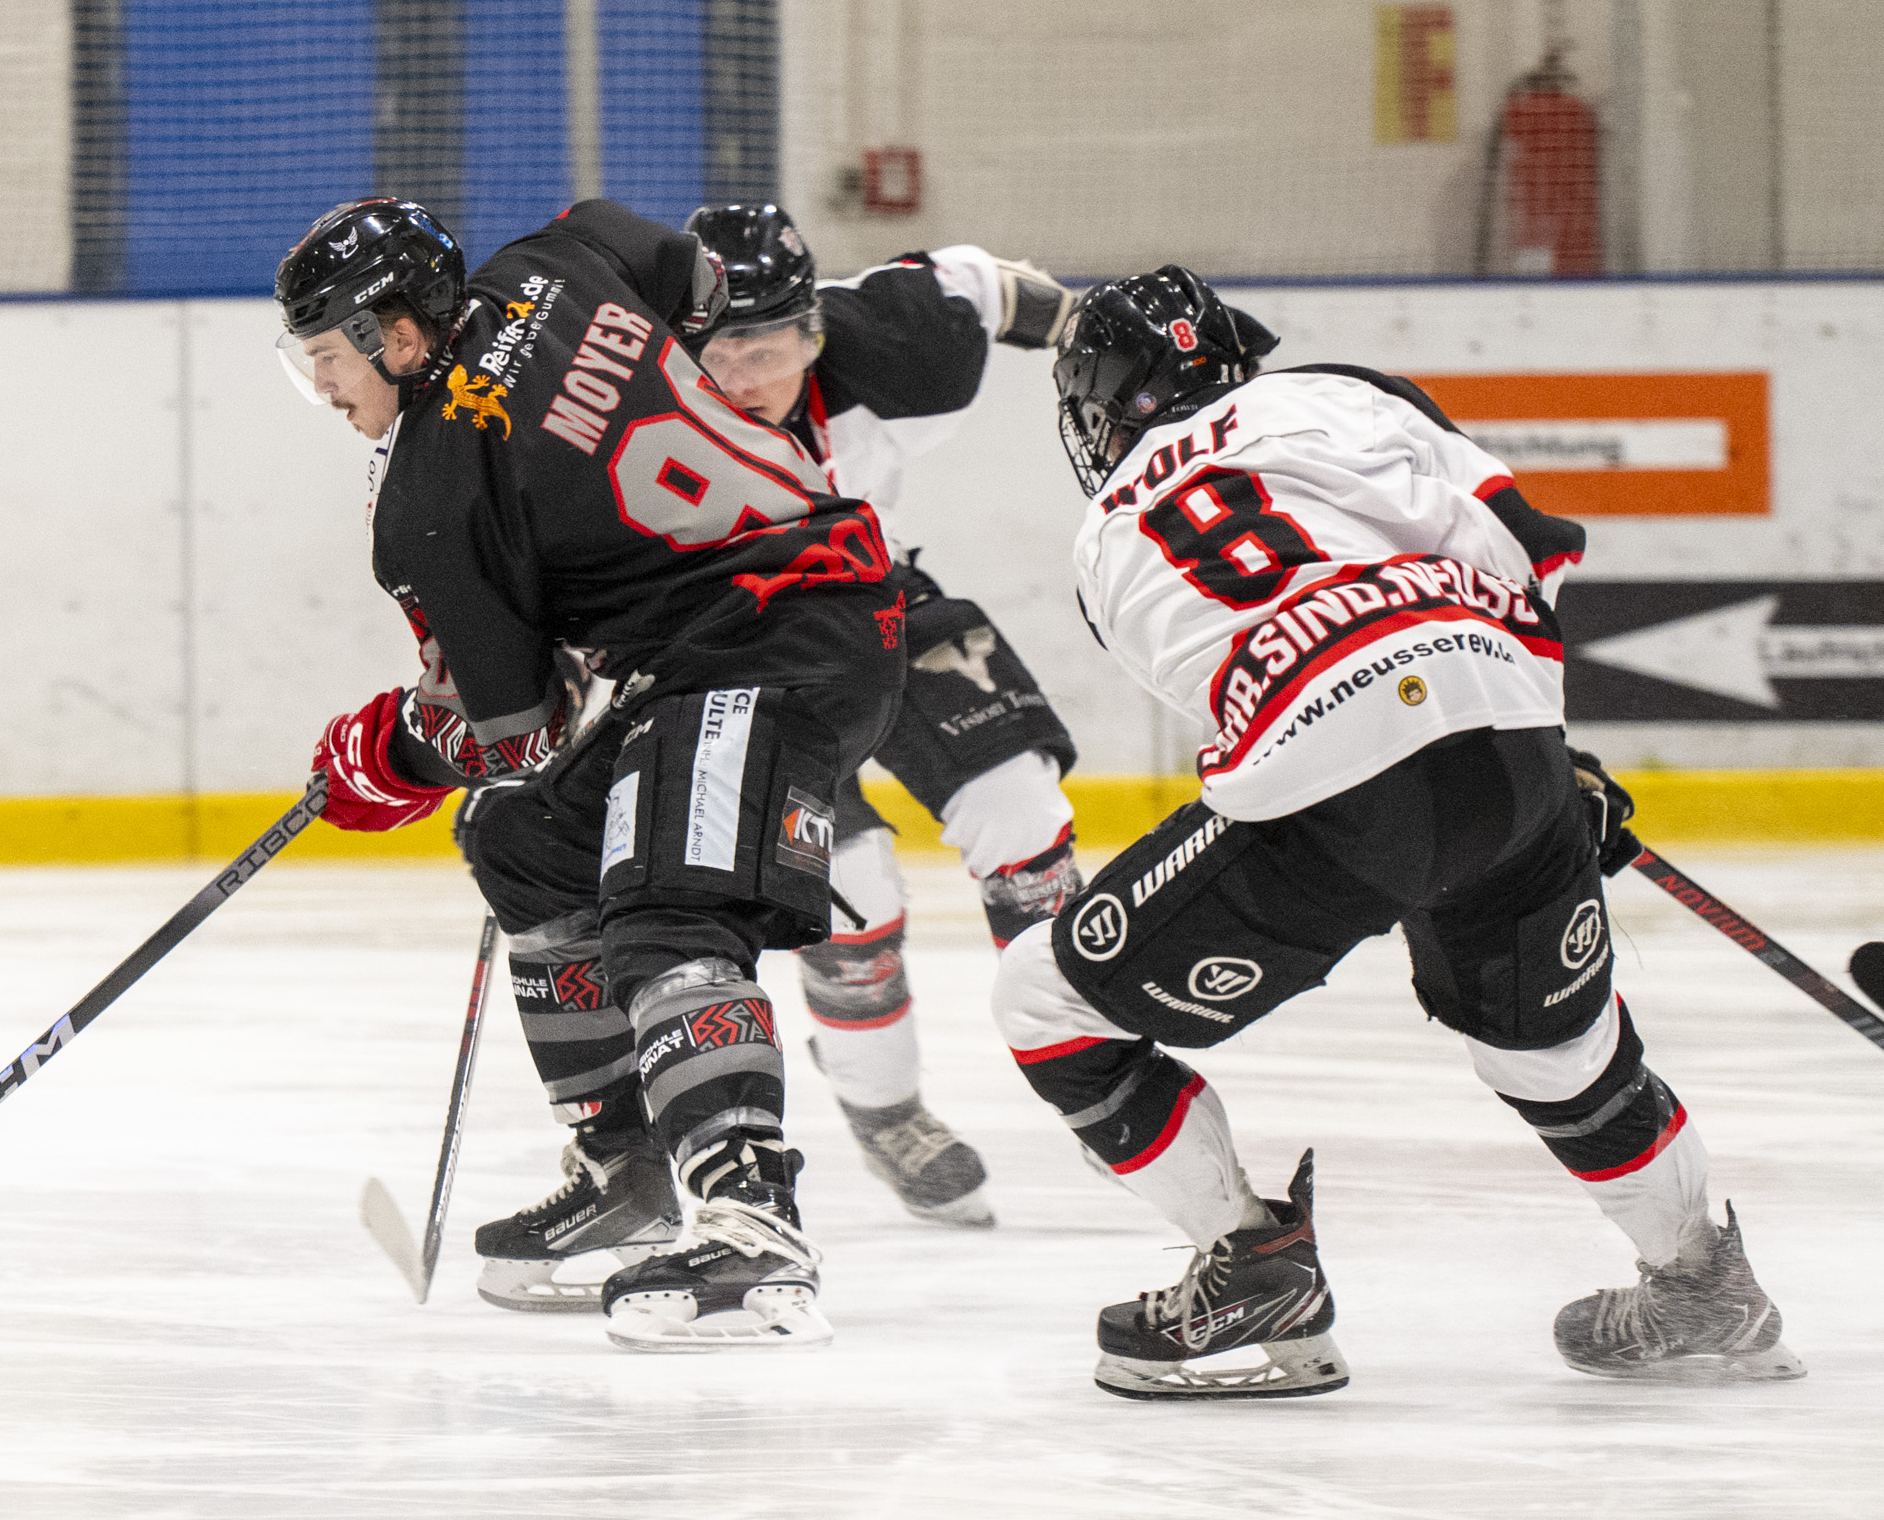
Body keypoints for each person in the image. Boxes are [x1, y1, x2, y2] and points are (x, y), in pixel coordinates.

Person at [988, 264, 1805, 1396]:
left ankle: (1249, 1260)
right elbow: (1531, 548)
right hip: (1504, 727)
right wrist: (1540, 747)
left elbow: (1248, 677)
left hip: (1330, 773)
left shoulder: (1103, 540)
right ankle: (1699, 1281)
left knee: (1045, 997)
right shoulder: (1346, 394)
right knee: (1555, 1049)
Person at [279, 195, 905, 1351]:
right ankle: (630, 1170)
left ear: (399, 334)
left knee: (667, 912)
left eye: (326, 353)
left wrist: (386, 753)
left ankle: (754, 1224)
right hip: (768, 617)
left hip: (771, 635)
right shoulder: (558, 254)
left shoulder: (428, 492)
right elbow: (700, 280)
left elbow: (513, 727)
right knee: (523, 839)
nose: (321, 384)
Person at [680, 205, 1085, 1227]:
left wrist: (1079, 325)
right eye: (718, 352)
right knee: (847, 890)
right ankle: (886, 1109)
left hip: (881, 599)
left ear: (813, 330)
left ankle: (1097, 1055)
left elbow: (984, 280)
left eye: (766, 349)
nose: (742, 378)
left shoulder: (890, 341)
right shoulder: (622, 393)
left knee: (1024, 820)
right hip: (729, 649)